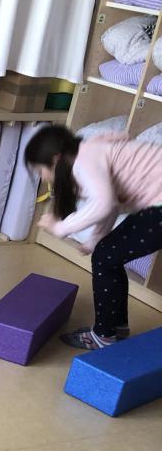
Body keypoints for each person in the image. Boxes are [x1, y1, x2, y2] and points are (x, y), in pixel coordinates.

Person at [26, 124, 162, 350]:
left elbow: (103, 203)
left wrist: (60, 227)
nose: (43, 177)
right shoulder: (89, 152)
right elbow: (111, 205)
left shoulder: (83, 159)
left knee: (106, 258)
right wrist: (94, 240)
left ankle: (104, 336)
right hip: (155, 203)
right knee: (107, 256)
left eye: (40, 170)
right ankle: (115, 330)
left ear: (56, 159)